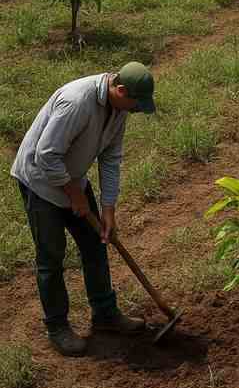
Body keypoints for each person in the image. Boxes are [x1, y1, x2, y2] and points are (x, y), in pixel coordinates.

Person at [10, 62, 157, 356]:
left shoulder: (119, 108)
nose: (135, 110)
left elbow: (111, 157)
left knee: (96, 243)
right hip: (40, 182)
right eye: (135, 104)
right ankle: (58, 327)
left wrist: (108, 208)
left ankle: (105, 314)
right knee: (51, 256)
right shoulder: (76, 101)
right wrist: (73, 193)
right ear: (121, 89)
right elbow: (46, 155)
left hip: (73, 179)